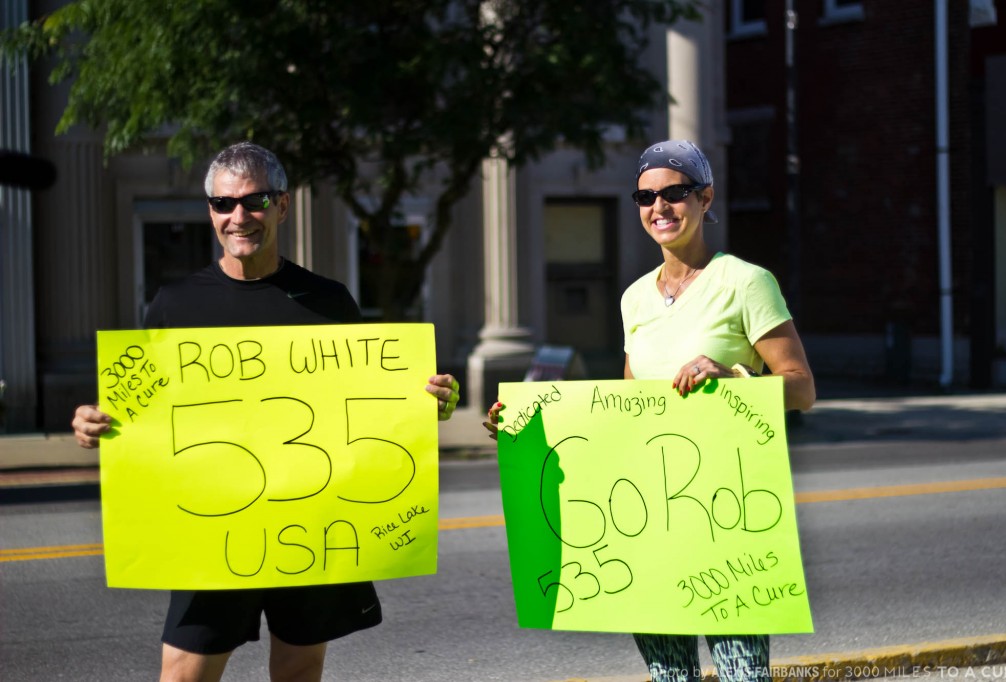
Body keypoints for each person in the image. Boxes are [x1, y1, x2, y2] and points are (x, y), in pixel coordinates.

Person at [71, 141, 461, 682]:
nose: (239, 216)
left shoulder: (329, 302)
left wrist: (433, 403)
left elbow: (375, 406)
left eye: (255, 201)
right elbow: (139, 407)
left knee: (299, 670)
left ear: (282, 205)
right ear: (209, 212)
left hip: (312, 526)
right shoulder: (173, 304)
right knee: (183, 673)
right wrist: (95, 420)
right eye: (224, 203)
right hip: (210, 529)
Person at [486, 140, 814, 682]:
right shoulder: (634, 298)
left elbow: (801, 389)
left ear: (705, 198)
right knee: (670, 678)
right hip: (648, 525)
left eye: (674, 193)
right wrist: (526, 424)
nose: (658, 207)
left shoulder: (746, 281)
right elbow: (627, 411)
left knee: (743, 676)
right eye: (645, 196)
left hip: (726, 522)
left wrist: (731, 379)